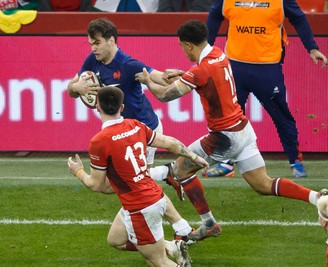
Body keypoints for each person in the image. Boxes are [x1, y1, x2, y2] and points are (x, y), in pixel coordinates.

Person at [136, 19, 326, 242]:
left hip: (223, 137)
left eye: (182, 46)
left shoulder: (200, 70)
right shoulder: (218, 53)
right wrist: (181, 75)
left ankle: (208, 223)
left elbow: (166, 95)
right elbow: (202, 77)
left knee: (181, 169)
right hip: (243, 129)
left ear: (188, 46)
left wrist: (148, 81)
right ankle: (318, 198)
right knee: (262, 184)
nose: (183, 50)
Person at [67, 86, 210, 266]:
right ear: (122, 107)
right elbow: (169, 142)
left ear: (97, 107)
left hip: (140, 207)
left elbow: (95, 184)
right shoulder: (135, 125)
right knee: (115, 240)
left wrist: (78, 171)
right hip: (150, 196)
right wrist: (194, 156)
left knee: (159, 262)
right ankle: (171, 246)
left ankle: (168, 251)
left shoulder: (99, 141)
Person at [67, 17, 189, 201]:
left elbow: (160, 77)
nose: (93, 48)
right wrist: (77, 88)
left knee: (128, 183)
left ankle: (167, 175)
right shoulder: (92, 60)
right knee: (113, 184)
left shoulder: (128, 65)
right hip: (122, 131)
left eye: (97, 43)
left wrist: (183, 77)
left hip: (144, 129)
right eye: (91, 43)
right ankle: (167, 175)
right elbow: (71, 88)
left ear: (111, 40)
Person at [203, 0, 328, 178]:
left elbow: (298, 18)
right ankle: (227, 163)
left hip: (268, 68)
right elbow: (215, 16)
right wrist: (206, 48)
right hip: (234, 67)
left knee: (281, 116)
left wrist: (312, 47)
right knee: (229, 117)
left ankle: (295, 161)